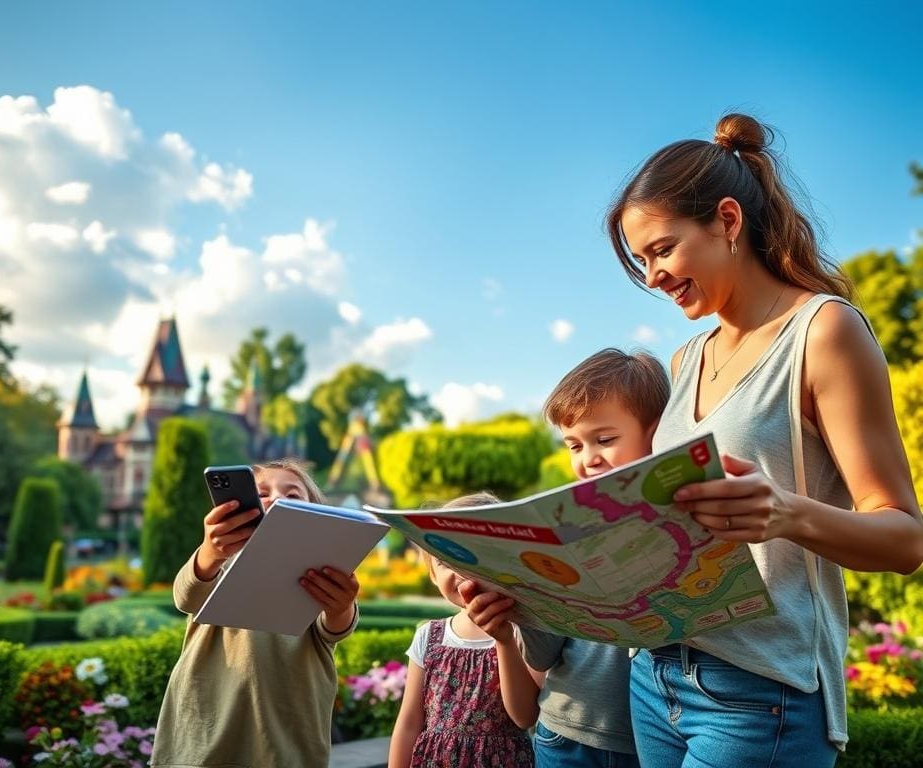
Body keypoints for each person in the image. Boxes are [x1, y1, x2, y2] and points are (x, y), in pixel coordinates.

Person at [606, 112, 923, 767]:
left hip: (761, 695)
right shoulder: (686, 357)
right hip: (656, 677)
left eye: (662, 249)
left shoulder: (823, 332)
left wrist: (785, 511)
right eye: (641, 261)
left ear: (727, 220)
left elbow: (905, 538)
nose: (653, 276)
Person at [463, 349, 667, 768]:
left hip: (651, 740)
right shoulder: (567, 531)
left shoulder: (681, 527)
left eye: (605, 440)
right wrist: (518, 602)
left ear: (657, 431)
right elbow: (543, 655)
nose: (587, 459)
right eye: (574, 445)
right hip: (565, 733)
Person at [151, 459, 360, 768]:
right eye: (262, 493)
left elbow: (336, 629)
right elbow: (185, 596)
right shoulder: (221, 560)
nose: (276, 498)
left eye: (293, 495)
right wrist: (210, 552)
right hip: (206, 727)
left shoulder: (320, 573)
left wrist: (340, 605)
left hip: (287, 733)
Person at [388, 492, 537, 768]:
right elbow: (408, 724)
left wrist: (504, 641)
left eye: (474, 558)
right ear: (432, 573)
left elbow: (525, 716)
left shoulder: (523, 632)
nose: (460, 572)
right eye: (445, 561)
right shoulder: (429, 636)